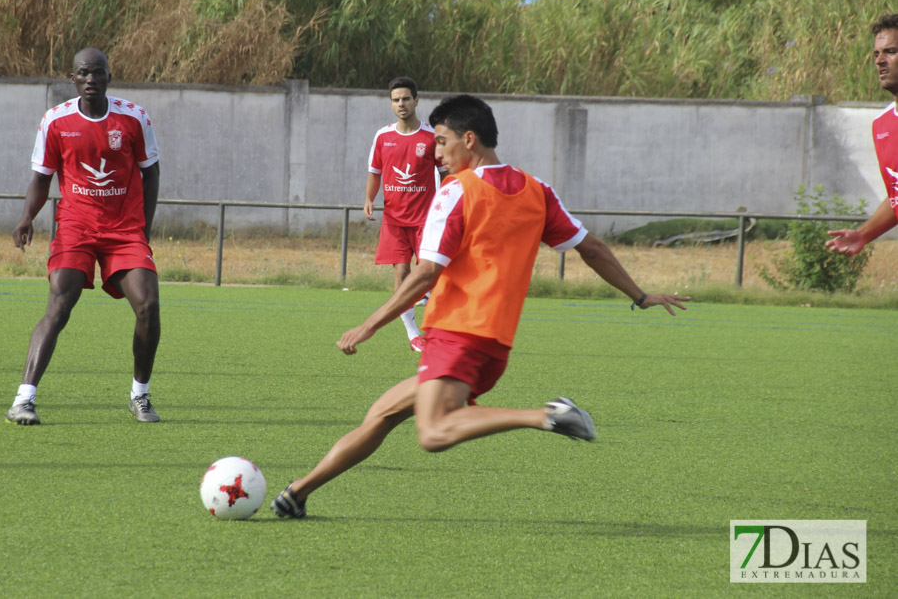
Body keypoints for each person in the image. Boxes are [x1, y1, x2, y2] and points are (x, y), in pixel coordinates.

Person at [272, 94, 689, 519]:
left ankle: (546, 415)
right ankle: (298, 493)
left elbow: (425, 273)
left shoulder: (458, 191)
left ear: (469, 139)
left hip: (457, 334)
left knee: (433, 433)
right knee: (382, 413)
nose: (436, 154)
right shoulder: (537, 191)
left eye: (441, 141)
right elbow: (592, 248)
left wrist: (369, 325)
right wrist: (640, 295)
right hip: (493, 344)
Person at [6, 47, 161, 425]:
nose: (91, 79)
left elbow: (151, 172)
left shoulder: (134, 118)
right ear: (73, 78)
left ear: (109, 76)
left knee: (148, 306)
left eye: (98, 72)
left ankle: (139, 395)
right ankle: (23, 399)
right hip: (76, 226)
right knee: (59, 306)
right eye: (83, 73)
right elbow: (41, 178)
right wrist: (27, 218)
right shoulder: (55, 122)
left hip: (124, 230)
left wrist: (144, 225)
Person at [363, 76, 443, 352]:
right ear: (391, 104)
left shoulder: (432, 136)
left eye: (406, 98)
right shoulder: (383, 136)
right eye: (396, 100)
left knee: (429, 273)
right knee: (401, 271)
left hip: (426, 219)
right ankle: (413, 335)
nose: (401, 104)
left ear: (416, 100)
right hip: (395, 220)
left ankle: (438, 326)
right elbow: (375, 172)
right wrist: (369, 200)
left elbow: (447, 174)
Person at [826, 13, 898, 256]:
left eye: (890, 51)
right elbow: (896, 197)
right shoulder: (882, 125)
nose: (880, 60)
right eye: (876, 53)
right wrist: (864, 234)